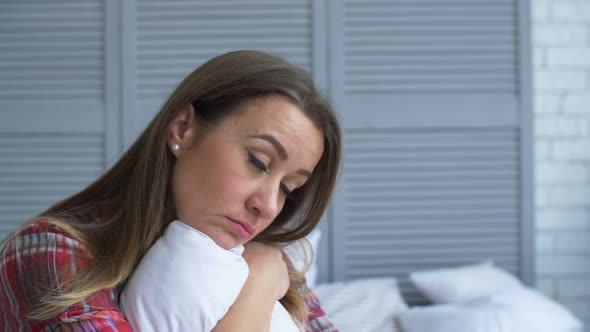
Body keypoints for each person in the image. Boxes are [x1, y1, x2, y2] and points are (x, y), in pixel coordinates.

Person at [0, 50, 341, 331]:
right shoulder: (47, 251)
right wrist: (259, 283)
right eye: (259, 162)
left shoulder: (279, 268)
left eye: (288, 188)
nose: (268, 206)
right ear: (183, 129)